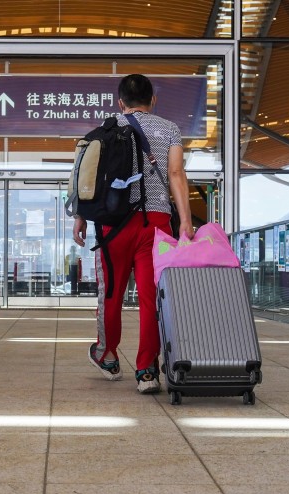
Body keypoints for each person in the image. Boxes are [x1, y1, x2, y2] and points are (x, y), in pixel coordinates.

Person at [73, 73, 194, 394]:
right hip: (155, 224)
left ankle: (108, 354)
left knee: (110, 292)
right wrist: (185, 220)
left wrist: (81, 218)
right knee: (150, 298)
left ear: (120, 102)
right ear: (153, 100)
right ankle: (146, 371)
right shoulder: (169, 129)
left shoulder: (105, 128)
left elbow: (85, 177)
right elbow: (176, 173)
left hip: (113, 224)